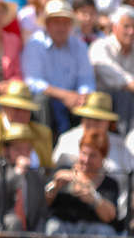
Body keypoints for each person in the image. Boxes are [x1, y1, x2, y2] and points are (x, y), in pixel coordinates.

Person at [0, 80, 54, 205]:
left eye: (26, 109)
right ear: (4, 107)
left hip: (35, 206)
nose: (21, 114)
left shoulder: (43, 134)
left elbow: (48, 172)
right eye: (16, 108)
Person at [53, 92, 132, 224]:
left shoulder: (121, 147)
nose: (91, 123)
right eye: (88, 117)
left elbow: (129, 186)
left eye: (98, 119)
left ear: (108, 122)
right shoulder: (66, 140)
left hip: (108, 220)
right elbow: (50, 178)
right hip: (67, 214)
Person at [22, 0, 95, 136]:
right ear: (47, 24)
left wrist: (82, 96)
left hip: (73, 101)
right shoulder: (35, 44)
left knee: (94, 102)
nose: (61, 27)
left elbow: (87, 80)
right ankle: (44, 146)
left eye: (65, 22)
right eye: (56, 22)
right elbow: (33, 82)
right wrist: (64, 95)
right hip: (48, 101)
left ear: (71, 25)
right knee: (40, 100)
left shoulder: (79, 46)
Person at [44, 129, 119, 236]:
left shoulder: (110, 184)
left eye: (93, 155)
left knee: (105, 231)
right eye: (84, 153)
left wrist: (94, 198)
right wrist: (55, 185)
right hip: (64, 228)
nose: (86, 160)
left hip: (93, 231)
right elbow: (45, 200)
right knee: (53, 226)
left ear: (103, 157)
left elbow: (110, 217)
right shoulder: (64, 170)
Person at [0, 123, 48, 231]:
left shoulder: (35, 175)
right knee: (13, 222)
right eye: (18, 149)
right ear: (5, 149)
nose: (23, 154)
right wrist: (16, 174)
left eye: (27, 150)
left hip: (27, 235)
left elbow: (42, 213)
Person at [89, 5, 134, 135]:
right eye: (126, 26)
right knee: (125, 95)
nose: (131, 31)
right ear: (114, 27)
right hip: (102, 104)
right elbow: (117, 78)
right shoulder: (100, 46)